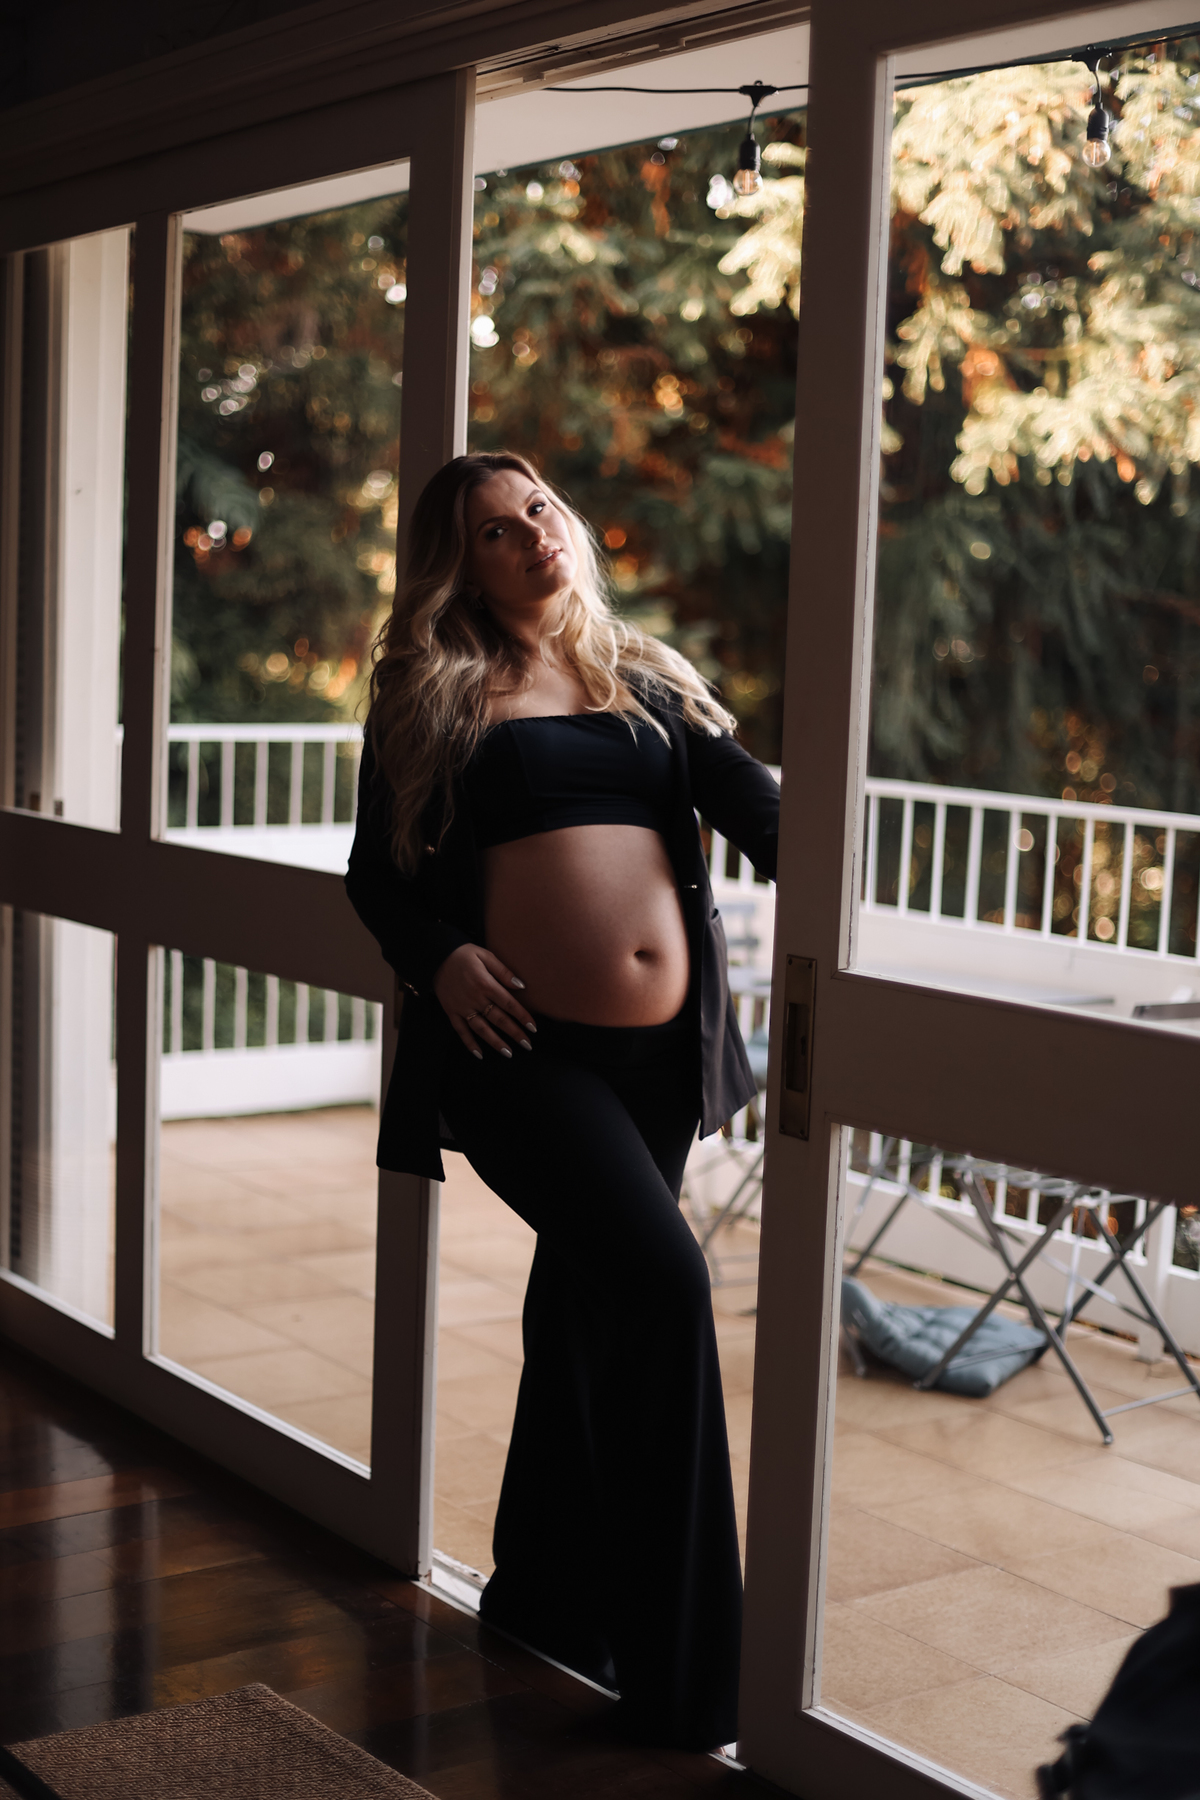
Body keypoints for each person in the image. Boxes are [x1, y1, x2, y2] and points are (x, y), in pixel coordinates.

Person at [345, 451, 780, 1753]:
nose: (532, 533)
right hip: (521, 1055)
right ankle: (690, 1682)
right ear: (460, 566)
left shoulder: (645, 679)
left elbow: (766, 817)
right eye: (495, 529)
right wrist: (442, 956)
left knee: (584, 1306)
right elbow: (376, 876)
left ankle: (543, 1602)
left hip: (657, 1066)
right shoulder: (433, 693)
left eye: (538, 508)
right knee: (662, 1286)